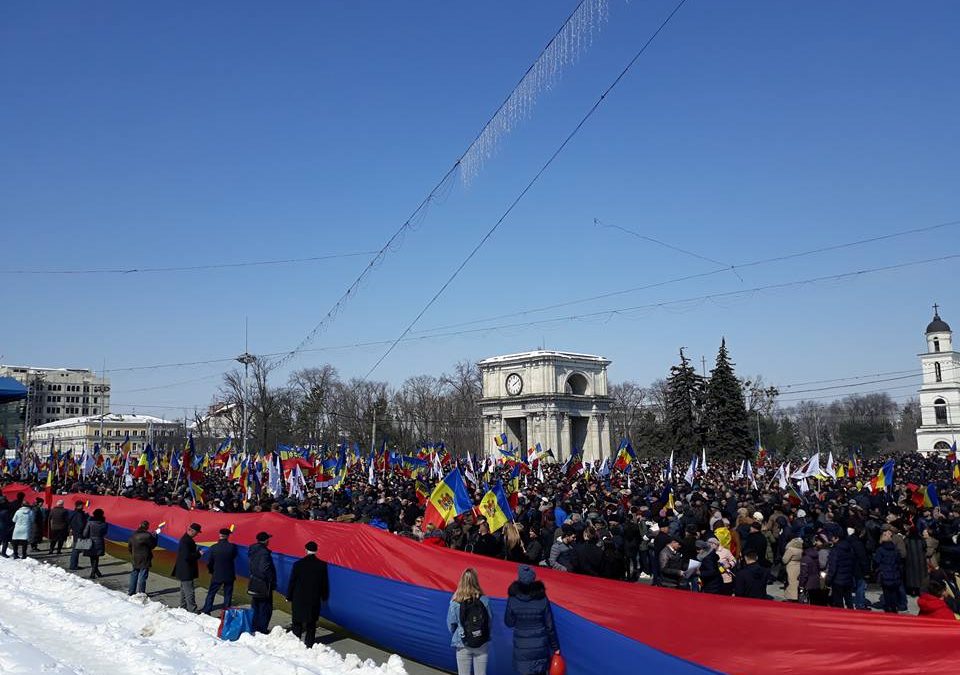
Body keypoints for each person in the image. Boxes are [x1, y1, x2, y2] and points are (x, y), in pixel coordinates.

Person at [504, 565, 560, 675]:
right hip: (540, 649)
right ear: (534, 579)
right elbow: (550, 626)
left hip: (522, 649)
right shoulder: (542, 598)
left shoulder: (513, 599)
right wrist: (555, 647)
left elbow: (509, 622)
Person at [286, 540, 329, 648]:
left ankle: (296, 642)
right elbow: (324, 583)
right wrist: (324, 596)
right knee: (311, 622)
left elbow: (292, 581)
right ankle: (309, 643)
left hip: (299, 597)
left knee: (297, 621)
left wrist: (289, 596)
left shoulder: (298, 564)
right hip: (313, 598)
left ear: (305, 550)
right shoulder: (322, 565)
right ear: (316, 550)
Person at [447, 567, 490, 675]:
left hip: (462, 642)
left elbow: (451, 624)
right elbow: (489, 621)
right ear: (476, 581)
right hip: (481, 642)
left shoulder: (455, 601)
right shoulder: (484, 600)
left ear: (461, 581)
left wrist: (460, 633)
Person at [202, 528, 238, 614]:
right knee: (228, 594)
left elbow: (210, 562)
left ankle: (207, 610)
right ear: (228, 536)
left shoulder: (214, 547)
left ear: (219, 535)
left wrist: (211, 571)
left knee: (211, 593)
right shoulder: (232, 547)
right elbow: (234, 557)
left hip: (217, 574)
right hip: (229, 574)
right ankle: (225, 612)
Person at [248, 531, 277, 633]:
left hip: (254, 581)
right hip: (263, 584)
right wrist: (270, 580)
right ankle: (262, 629)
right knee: (265, 607)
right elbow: (263, 569)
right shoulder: (264, 552)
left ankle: (254, 626)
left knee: (255, 605)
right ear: (266, 540)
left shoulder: (252, 549)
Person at [174, 523, 203, 612]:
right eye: (196, 532)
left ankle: (183, 607)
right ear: (191, 530)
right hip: (186, 570)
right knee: (189, 591)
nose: (196, 534)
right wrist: (198, 554)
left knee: (184, 590)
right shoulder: (186, 541)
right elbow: (187, 556)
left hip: (183, 569)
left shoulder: (186, 539)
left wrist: (195, 550)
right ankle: (192, 609)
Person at [874, 529, 903, 613]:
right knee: (893, 592)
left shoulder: (880, 550)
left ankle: (888, 608)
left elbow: (876, 561)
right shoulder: (895, 549)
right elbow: (899, 561)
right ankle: (894, 608)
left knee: (886, 593)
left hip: (885, 573)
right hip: (894, 574)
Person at [127, 520, 158, 595]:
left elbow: (129, 547)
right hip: (145, 558)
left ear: (140, 525)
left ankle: (131, 591)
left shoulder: (133, 535)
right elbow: (153, 546)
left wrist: (133, 554)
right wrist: (155, 537)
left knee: (134, 574)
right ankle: (141, 592)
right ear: (147, 527)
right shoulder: (148, 535)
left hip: (135, 558)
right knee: (142, 576)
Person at [826, 532, 855, 609]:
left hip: (838, 580)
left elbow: (832, 568)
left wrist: (828, 580)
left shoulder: (835, 550)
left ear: (837, 538)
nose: (831, 539)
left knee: (838, 602)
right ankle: (851, 613)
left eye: (833, 537)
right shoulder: (849, 548)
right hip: (848, 578)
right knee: (849, 600)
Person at [82, 508, 108, 579]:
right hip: (99, 541)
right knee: (96, 557)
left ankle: (93, 573)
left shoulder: (90, 523)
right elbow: (105, 533)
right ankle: (96, 572)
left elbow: (85, 534)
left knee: (92, 557)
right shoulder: (104, 524)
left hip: (90, 541)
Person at [67, 501, 89, 571]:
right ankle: (73, 565)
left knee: (76, 550)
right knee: (76, 550)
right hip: (79, 534)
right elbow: (80, 525)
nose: (83, 506)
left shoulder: (73, 513)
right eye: (82, 505)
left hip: (75, 533)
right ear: (79, 506)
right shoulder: (79, 514)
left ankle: (74, 564)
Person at [781, 537, 803, 602]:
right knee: (797, 582)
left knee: (791, 582)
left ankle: (791, 597)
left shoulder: (790, 549)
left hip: (791, 566)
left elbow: (784, 560)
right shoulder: (801, 549)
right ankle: (797, 596)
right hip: (799, 566)